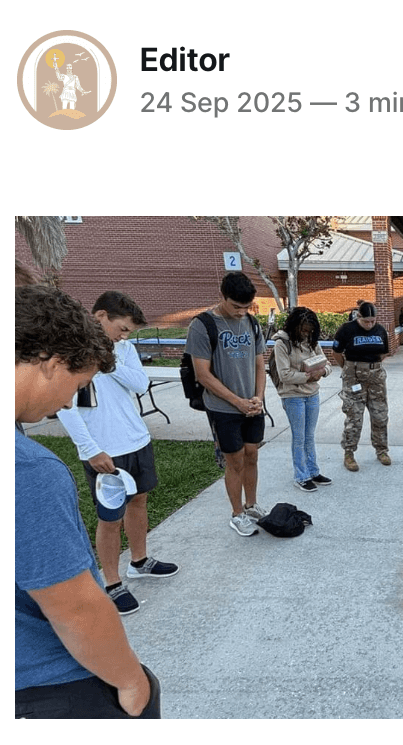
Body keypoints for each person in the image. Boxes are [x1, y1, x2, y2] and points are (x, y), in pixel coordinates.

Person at [15, 285, 161, 718]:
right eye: (77, 385)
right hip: (45, 679)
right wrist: (132, 680)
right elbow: (74, 607)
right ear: (52, 364)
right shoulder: (28, 471)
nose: (68, 401)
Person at [57, 291, 179, 617]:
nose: (125, 335)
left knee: (139, 502)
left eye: (129, 332)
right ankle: (112, 583)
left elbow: (140, 385)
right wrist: (90, 449)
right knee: (109, 518)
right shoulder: (72, 351)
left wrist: (110, 359)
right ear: (100, 317)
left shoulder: (123, 349)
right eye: (122, 328)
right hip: (102, 449)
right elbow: (67, 406)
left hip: (136, 440)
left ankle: (139, 561)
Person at [183, 271, 268, 536]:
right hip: (223, 408)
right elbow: (202, 375)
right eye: (236, 306)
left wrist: (258, 399)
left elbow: (259, 363)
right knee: (235, 461)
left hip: (252, 406)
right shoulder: (203, 325)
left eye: (246, 307)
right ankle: (237, 513)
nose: (242, 312)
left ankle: (251, 505)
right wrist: (237, 402)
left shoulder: (251, 324)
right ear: (223, 297)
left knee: (252, 454)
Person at [270, 307, 332, 492]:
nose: (306, 334)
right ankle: (301, 476)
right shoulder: (282, 344)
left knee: (309, 436)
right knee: (299, 437)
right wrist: (308, 377)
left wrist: (323, 372)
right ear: (295, 326)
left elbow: (327, 363)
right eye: (303, 330)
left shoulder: (312, 342)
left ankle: (313, 471)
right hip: (293, 396)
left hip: (312, 394)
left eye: (310, 331)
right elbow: (285, 375)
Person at [332, 301, 392, 470]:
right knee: (354, 417)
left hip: (376, 378)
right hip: (354, 377)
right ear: (358, 317)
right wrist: (348, 369)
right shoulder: (346, 329)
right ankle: (349, 453)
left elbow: (383, 353)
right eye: (366, 321)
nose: (370, 324)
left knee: (380, 415)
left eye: (373, 321)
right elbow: (336, 353)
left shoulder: (380, 330)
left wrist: (372, 367)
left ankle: (381, 450)